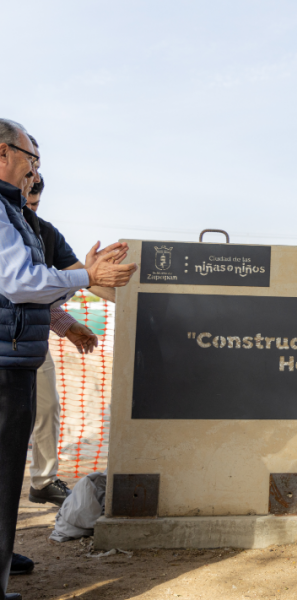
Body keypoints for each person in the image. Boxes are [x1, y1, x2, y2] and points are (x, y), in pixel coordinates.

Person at [0, 118, 137, 600]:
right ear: (4, 154)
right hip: (6, 357)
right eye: (30, 161)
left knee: (15, 454)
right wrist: (88, 278)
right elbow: (19, 282)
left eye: (37, 173)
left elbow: (47, 285)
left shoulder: (30, 222)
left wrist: (66, 321)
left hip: (20, 350)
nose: (33, 175)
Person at [22, 173, 115, 507]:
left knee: (46, 406)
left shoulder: (43, 232)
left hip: (25, 337)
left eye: (34, 203)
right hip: (11, 338)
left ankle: (43, 480)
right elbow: (21, 284)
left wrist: (140, 298)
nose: (27, 208)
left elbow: (83, 279)